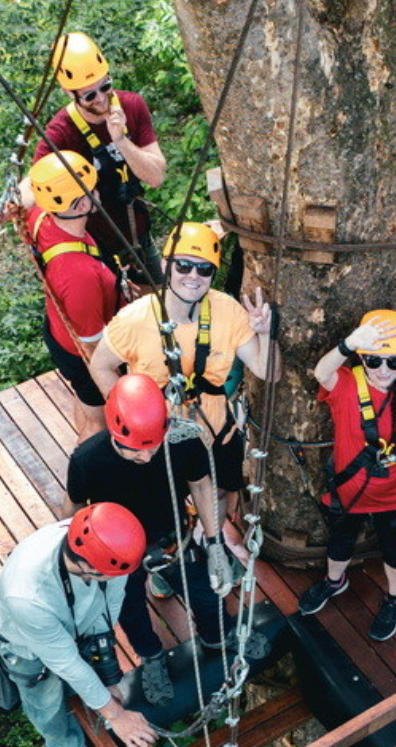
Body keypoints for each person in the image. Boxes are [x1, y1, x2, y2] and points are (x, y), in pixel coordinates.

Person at [89, 222, 274, 550]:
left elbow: (266, 371)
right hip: (158, 435)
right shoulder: (135, 319)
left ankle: (212, 543)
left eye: (204, 269)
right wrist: (130, 415)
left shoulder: (227, 312)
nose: (193, 276)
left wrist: (264, 334)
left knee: (219, 491)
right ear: (166, 266)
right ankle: (172, 550)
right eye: (183, 265)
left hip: (214, 428)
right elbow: (101, 365)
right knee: (165, 505)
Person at [66, 374, 235, 703]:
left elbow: (201, 486)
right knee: (129, 610)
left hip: (173, 538)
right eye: (135, 452)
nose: (146, 457)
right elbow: (72, 510)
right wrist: (78, 561)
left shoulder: (182, 441)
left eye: (153, 447)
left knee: (206, 594)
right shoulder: (88, 460)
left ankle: (219, 640)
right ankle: (151, 658)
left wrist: (215, 544)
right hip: (117, 551)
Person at [0, 503, 157, 747]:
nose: (115, 580)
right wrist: (115, 715)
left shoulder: (107, 551)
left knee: (86, 678)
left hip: (74, 622)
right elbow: (66, 662)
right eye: (107, 576)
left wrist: (108, 678)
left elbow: (108, 610)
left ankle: (90, 697)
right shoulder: (27, 594)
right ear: (87, 567)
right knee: (45, 697)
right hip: (25, 642)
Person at [297, 310, 396, 641]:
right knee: (340, 539)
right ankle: (334, 581)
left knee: (394, 547)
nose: (383, 370)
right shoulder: (346, 383)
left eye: (394, 362)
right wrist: (349, 344)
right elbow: (321, 372)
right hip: (351, 491)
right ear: (362, 359)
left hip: (395, 492)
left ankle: (395, 598)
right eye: (373, 360)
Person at [0, 151, 119, 441]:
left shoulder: (40, 218)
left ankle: (84, 430)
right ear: (82, 203)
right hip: (81, 353)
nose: (98, 191)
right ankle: (87, 455)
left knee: (86, 402)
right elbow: (91, 345)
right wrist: (117, 383)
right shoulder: (79, 274)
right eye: (93, 188)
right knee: (100, 425)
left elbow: (32, 186)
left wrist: (7, 208)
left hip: (59, 332)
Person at [37, 32, 168, 284]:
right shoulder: (61, 131)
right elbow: (36, 180)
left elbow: (156, 177)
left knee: (161, 297)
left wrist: (121, 140)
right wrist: (9, 206)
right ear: (69, 93)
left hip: (138, 236)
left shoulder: (132, 105)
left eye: (105, 87)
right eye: (89, 95)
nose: (100, 98)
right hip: (96, 246)